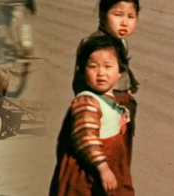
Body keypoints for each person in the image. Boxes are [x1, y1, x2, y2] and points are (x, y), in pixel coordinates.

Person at [49, 35, 134, 196]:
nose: (100, 72)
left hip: (111, 163)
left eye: (108, 66)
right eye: (93, 66)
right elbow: (86, 139)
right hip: (91, 167)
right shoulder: (86, 102)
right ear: (82, 70)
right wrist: (103, 168)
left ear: (120, 72)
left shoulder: (109, 98)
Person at [72, 0, 140, 167]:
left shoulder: (121, 42)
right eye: (117, 15)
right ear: (102, 15)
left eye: (131, 16)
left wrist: (128, 89)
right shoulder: (95, 46)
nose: (124, 22)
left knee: (120, 161)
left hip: (119, 108)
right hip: (101, 115)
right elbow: (81, 84)